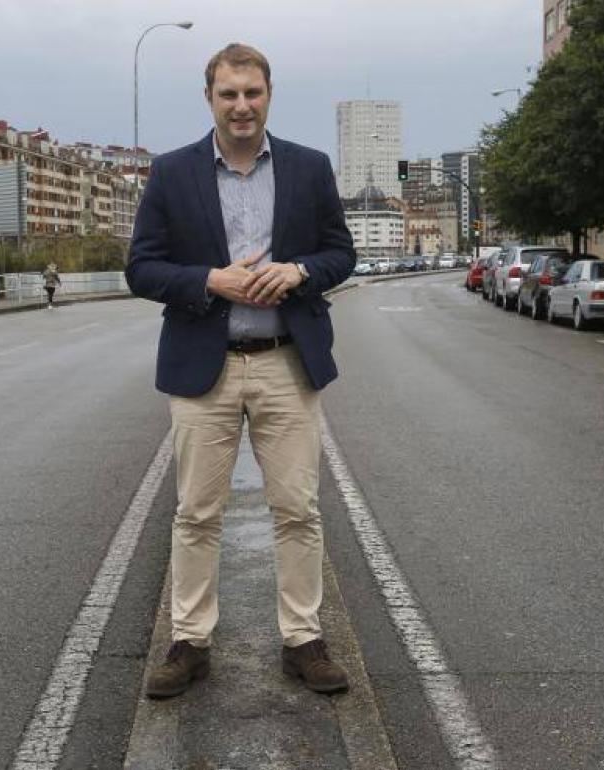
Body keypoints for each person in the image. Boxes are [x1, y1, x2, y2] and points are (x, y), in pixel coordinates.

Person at [125, 43, 356, 699]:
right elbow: (141, 268)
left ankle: (303, 639)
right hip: (207, 369)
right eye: (229, 94)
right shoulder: (172, 174)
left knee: (298, 510)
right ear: (210, 99)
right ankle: (189, 642)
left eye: (251, 92)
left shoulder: (309, 170)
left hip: (287, 362)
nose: (241, 105)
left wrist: (302, 270)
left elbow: (342, 253)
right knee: (197, 513)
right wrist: (210, 280)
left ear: (269, 94)